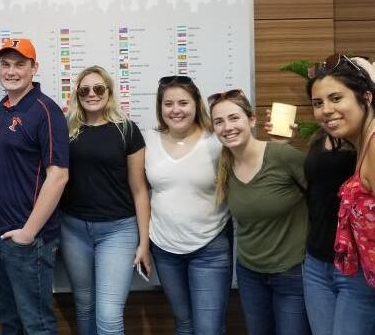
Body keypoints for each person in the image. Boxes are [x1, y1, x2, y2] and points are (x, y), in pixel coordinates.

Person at [0, 38, 69, 335]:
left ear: (34, 68)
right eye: (5, 64)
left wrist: (28, 233)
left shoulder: (46, 111)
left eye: (20, 64)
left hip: (26, 240)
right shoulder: (6, 106)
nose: (11, 71)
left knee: (37, 325)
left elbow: (58, 175)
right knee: (9, 322)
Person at [209, 89, 310, 335]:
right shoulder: (222, 164)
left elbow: (325, 199)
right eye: (219, 121)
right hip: (250, 273)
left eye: (234, 118)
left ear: (251, 120)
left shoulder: (282, 156)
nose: (227, 127)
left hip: (292, 271)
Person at [60, 65, 150, 335]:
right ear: (77, 94)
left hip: (118, 231)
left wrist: (144, 242)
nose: (92, 94)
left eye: (98, 88)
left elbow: (139, 189)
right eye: (85, 89)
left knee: (109, 316)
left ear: (108, 92)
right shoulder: (67, 131)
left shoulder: (127, 130)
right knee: (84, 306)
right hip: (73, 229)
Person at [144, 75, 231, 335]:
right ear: (160, 108)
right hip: (164, 248)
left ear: (196, 105)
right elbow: (137, 191)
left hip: (210, 246)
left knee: (208, 328)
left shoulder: (217, 141)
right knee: (184, 323)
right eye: (168, 103)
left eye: (183, 102)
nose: (176, 110)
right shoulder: (147, 140)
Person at [304, 54, 375, 334]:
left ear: (366, 97)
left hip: (358, 275)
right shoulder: (361, 144)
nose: (326, 110)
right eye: (318, 103)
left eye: (336, 98)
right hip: (331, 263)